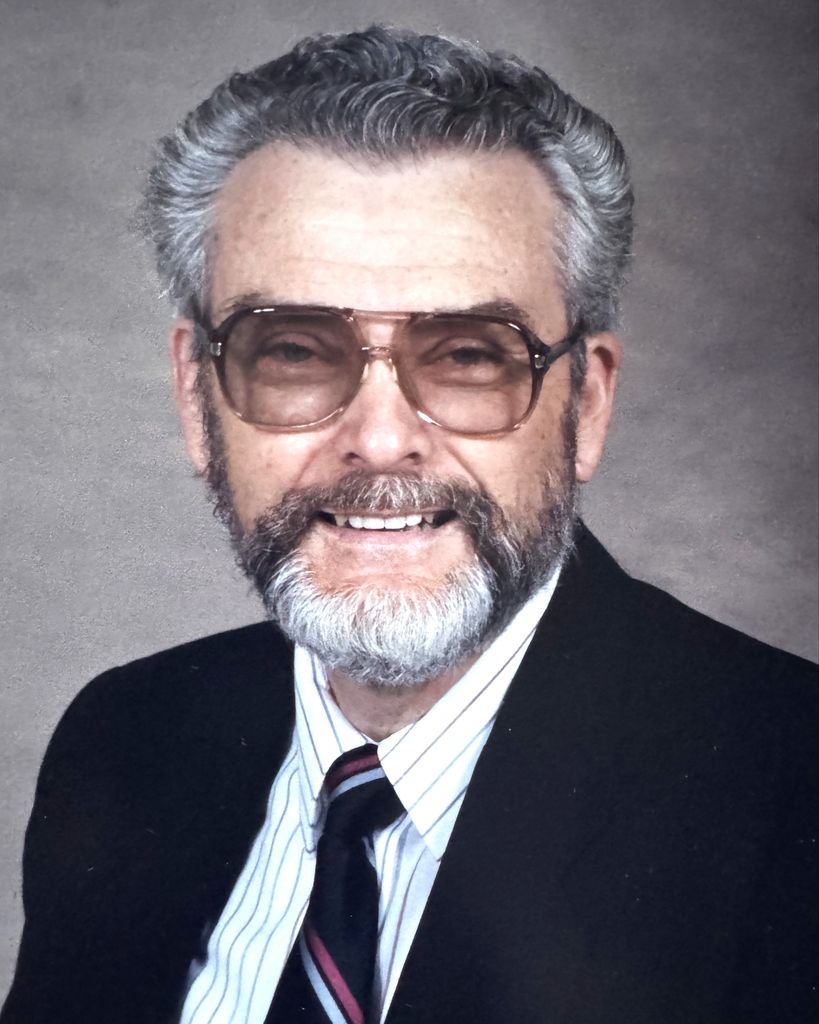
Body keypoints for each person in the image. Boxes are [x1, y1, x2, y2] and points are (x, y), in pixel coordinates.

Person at [2, 24, 815, 1024]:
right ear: (195, 399)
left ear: (588, 403)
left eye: (470, 353)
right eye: (294, 349)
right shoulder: (126, 739)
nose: (381, 440)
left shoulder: (791, 799)